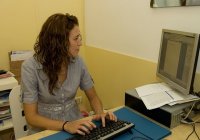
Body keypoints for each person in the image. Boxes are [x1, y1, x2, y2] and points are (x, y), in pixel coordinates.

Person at [21, 13, 117, 135]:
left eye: (80, 37)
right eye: (76, 38)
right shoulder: (30, 68)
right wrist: (66, 125)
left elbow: (93, 97)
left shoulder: (78, 62)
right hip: (45, 131)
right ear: (58, 42)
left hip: (76, 126)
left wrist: (100, 113)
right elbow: (31, 117)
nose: (80, 43)